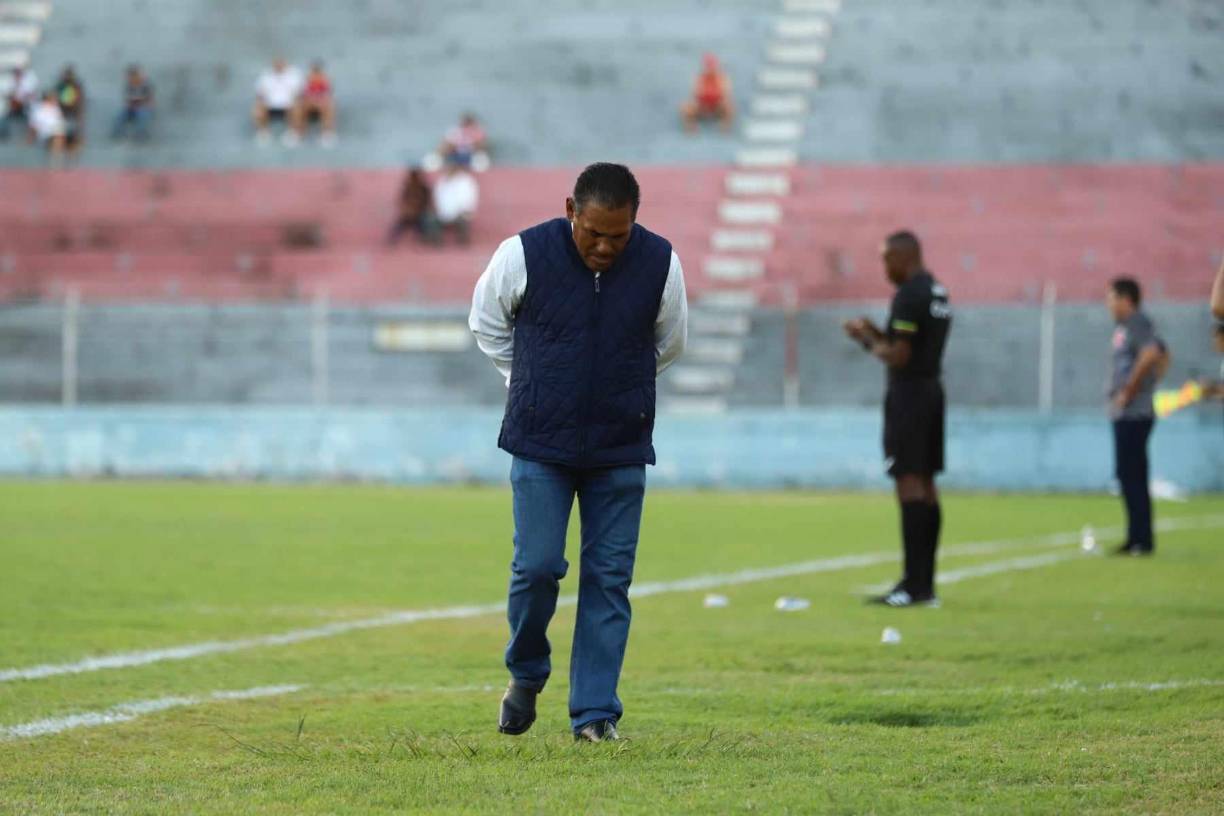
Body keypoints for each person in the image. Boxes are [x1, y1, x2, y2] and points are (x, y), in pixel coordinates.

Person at [468, 162, 688, 742]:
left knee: (609, 580)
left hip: (620, 444)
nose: (605, 246)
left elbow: (669, 343)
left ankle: (594, 714)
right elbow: (486, 323)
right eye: (594, 232)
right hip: (541, 441)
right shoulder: (521, 254)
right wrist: (531, 381)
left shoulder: (661, 263)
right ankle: (526, 674)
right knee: (537, 568)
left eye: (618, 235)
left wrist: (621, 389)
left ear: (635, 220)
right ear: (571, 210)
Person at [843, 231, 952, 607]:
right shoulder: (936, 291)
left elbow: (900, 356)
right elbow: (910, 345)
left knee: (908, 482)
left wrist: (866, 341)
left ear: (905, 257)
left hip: (909, 397)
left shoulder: (908, 295)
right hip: (932, 391)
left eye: (887, 259)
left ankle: (912, 585)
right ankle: (926, 584)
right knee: (927, 483)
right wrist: (875, 331)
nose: (885, 268)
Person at [1105, 277, 1167, 557]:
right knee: (1128, 474)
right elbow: (1162, 352)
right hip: (1126, 412)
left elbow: (1153, 352)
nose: (1108, 304)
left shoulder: (1138, 322)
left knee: (1133, 474)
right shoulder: (1126, 326)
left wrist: (1131, 390)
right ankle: (1135, 537)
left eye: (1112, 298)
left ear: (1126, 299)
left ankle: (1141, 539)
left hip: (1135, 412)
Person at [252, 58, 303, 146]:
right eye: (277, 63)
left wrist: (293, 100)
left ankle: (293, 132)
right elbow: (260, 93)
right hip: (270, 104)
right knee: (257, 108)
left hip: (288, 103)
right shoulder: (266, 75)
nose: (279, 66)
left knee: (296, 106)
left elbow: (298, 92)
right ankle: (263, 133)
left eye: (281, 63)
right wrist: (261, 100)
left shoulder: (294, 75)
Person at [680, 53, 734, 133]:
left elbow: (726, 95)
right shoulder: (700, 78)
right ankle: (690, 128)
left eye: (712, 67)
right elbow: (695, 95)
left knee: (729, 107)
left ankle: (725, 127)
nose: (710, 69)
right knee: (686, 108)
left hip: (716, 106)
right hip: (703, 106)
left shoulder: (721, 78)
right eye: (708, 67)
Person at [387, 167, 439, 245]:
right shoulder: (408, 188)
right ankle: (391, 241)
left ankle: (427, 240)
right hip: (408, 215)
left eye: (416, 176)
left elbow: (428, 204)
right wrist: (407, 210)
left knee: (424, 225)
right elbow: (401, 202)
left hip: (420, 215)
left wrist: (419, 211)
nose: (413, 178)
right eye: (412, 176)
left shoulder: (424, 189)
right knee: (399, 226)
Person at [432, 158, 479, 245]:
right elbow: (437, 198)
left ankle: (463, 242)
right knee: (430, 219)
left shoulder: (465, 180)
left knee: (463, 220)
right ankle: (437, 243)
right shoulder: (442, 180)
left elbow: (469, 199)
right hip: (443, 213)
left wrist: (464, 211)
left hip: (460, 213)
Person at [299, 61, 337, 147]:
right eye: (314, 70)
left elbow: (328, 94)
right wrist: (311, 100)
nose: (316, 72)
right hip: (309, 103)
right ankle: (299, 133)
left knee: (330, 106)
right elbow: (303, 94)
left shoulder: (326, 80)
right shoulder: (306, 80)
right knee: (300, 106)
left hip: (321, 103)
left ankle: (327, 134)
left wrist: (319, 101)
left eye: (317, 70)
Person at [111, 65, 154, 141]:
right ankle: (117, 134)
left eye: (134, 76)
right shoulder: (129, 86)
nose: (132, 78)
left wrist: (139, 103)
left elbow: (149, 100)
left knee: (142, 115)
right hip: (132, 109)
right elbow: (127, 100)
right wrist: (132, 104)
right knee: (120, 116)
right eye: (130, 77)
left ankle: (141, 135)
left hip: (144, 109)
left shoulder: (145, 86)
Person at [29, 91, 67, 166]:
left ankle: (65, 162)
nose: (55, 100)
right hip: (44, 134)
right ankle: (55, 162)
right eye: (53, 98)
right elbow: (34, 125)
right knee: (57, 138)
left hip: (57, 133)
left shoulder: (56, 109)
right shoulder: (39, 109)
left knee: (71, 140)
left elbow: (60, 122)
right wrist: (31, 137)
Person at [0, 66, 39, 141]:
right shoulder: (9, 81)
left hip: (25, 106)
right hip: (11, 107)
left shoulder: (28, 82)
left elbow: (30, 95)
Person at [55, 66, 85, 156]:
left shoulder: (76, 86)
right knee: (61, 137)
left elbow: (79, 101)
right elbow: (58, 100)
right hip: (63, 114)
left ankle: (72, 155)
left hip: (72, 113)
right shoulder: (60, 86)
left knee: (74, 138)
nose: (67, 77)